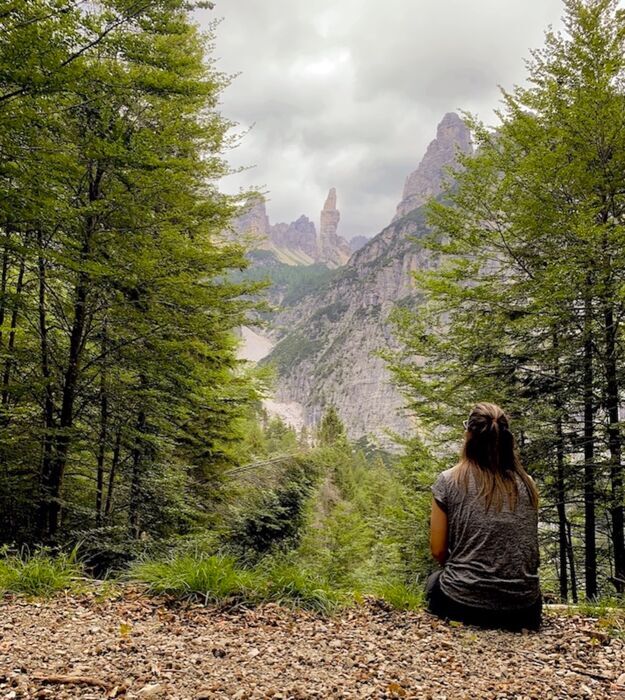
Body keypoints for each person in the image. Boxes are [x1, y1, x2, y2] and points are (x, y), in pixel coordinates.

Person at [425, 402, 542, 631]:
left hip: (461, 604)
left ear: (468, 435)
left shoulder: (449, 481)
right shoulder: (528, 483)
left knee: (433, 582)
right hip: (524, 610)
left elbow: (438, 550)